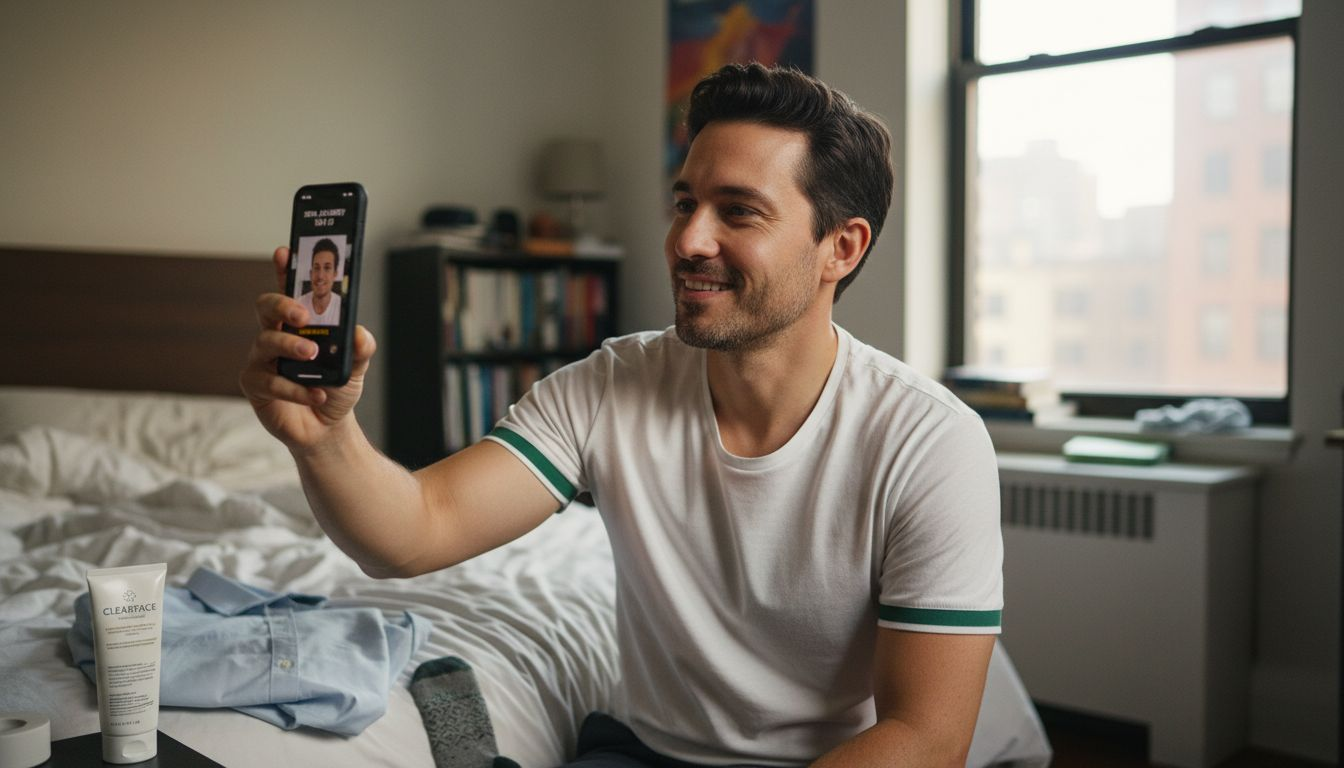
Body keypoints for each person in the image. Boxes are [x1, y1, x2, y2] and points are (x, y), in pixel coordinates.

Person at [241, 63, 1002, 767]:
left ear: (841, 246)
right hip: (645, 753)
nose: (688, 240)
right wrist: (326, 438)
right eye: (684, 203)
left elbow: (926, 734)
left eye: (738, 212)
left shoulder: (930, 442)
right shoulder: (613, 383)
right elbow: (416, 530)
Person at [296, 238, 342, 325]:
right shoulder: (298, 305)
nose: (320, 276)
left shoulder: (342, 308)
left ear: (335, 274)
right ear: (310, 273)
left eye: (327, 268)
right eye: (316, 268)